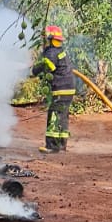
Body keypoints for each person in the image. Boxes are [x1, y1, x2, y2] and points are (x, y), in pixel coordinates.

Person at [32, 23, 75, 153]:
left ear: (50, 39)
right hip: (68, 88)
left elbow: (48, 66)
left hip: (60, 89)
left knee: (54, 116)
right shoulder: (60, 52)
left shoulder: (51, 52)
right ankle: (62, 146)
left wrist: (35, 70)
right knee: (62, 117)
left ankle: (52, 146)